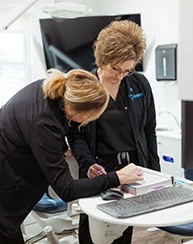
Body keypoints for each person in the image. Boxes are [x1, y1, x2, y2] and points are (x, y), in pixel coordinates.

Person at [0, 68, 144, 244]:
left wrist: (61, 148)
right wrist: (116, 177)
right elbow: (67, 190)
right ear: (78, 110)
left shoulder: (48, 89)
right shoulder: (44, 124)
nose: (88, 123)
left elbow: (32, 130)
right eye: (90, 117)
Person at [67, 20, 160, 243]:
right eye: (115, 69)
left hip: (133, 170)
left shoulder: (139, 85)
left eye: (127, 70)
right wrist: (88, 165)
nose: (119, 76)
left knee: (123, 232)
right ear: (103, 59)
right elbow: (74, 134)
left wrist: (156, 174)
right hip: (100, 170)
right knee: (94, 233)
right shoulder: (86, 86)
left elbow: (149, 130)